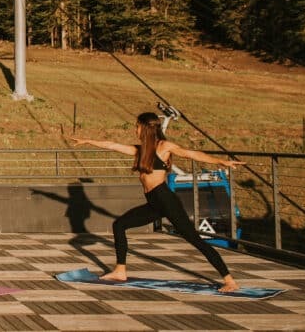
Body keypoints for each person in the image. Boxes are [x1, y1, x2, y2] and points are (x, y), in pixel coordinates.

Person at [70, 111, 244, 292]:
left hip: (166, 200)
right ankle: (120, 270)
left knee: (195, 240)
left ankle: (229, 280)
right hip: (153, 202)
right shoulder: (140, 150)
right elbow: (113, 145)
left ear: (145, 128)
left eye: (137, 126)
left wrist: (221, 161)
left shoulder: (164, 147)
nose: (135, 129)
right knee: (119, 225)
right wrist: (89, 141)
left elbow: (191, 154)